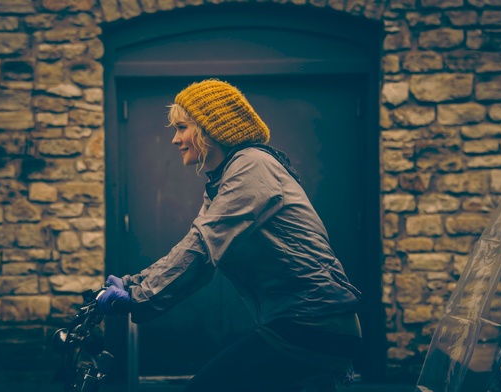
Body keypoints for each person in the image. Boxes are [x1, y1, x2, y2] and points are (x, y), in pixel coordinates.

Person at [97, 79, 363, 391]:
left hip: (312, 324)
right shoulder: (224, 181)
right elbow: (193, 254)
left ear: (210, 128)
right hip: (298, 324)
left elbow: (202, 247)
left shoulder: (252, 166)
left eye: (182, 127)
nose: (175, 139)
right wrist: (134, 282)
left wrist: (138, 298)